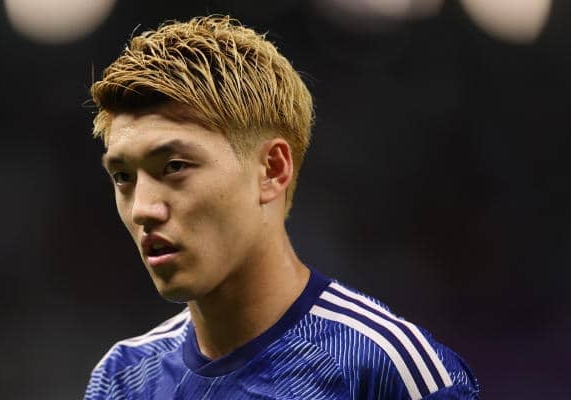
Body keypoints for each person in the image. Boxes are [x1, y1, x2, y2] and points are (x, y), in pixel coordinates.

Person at [83, 15, 479, 399]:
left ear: (272, 170)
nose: (143, 209)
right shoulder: (122, 378)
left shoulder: (386, 371)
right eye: (123, 176)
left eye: (174, 167)